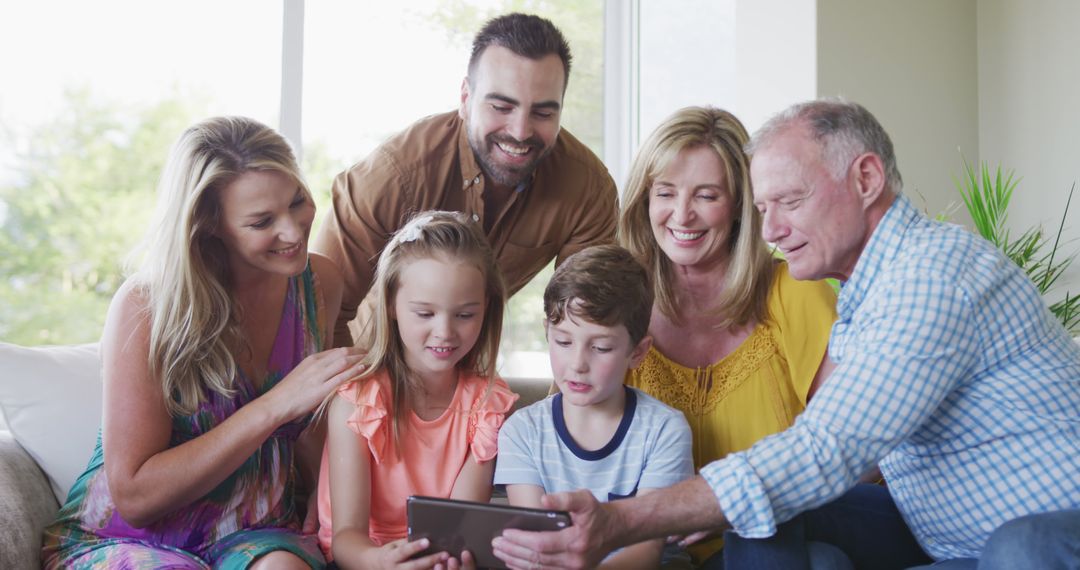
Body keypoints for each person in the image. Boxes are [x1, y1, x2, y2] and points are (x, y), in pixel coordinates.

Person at [490, 98, 1080, 570]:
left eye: (790, 201)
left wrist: (625, 519)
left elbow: (829, 447)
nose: (773, 228)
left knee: (1019, 548)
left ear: (867, 178)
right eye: (765, 207)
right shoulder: (865, 293)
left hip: (1040, 529)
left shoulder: (930, 278)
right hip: (942, 532)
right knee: (763, 518)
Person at [42, 116, 363, 569]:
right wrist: (274, 405)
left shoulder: (320, 282)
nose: (293, 231)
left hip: (254, 530)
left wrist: (327, 499)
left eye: (297, 202)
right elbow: (134, 497)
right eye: (261, 221)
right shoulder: (146, 307)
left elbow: (310, 430)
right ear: (210, 223)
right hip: (129, 537)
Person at [616, 105, 839, 566]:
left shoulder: (796, 294)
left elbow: (848, 445)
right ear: (645, 200)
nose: (682, 214)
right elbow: (563, 438)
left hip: (769, 534)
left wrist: (736, 505)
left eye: (706, 195)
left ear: (740, 203)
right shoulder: (616, 306)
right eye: (665, 192)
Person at [315, 12, 619, 348]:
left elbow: (585, 334)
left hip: (473, 376)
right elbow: (317, 320)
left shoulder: (588, 189)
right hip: (366, 365)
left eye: (543, 113)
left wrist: (554, 404)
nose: (520, 131)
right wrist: (357, 395)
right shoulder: (392, 176)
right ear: (465, 99)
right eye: (501, 106)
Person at [317, 211, 519, 569]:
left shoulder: (488, 403)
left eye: (465, 315)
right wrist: (381, 561)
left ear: (487, 308)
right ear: (392, 305)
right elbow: (346, 537)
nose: (445, 332)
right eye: (425, 314)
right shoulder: (357, 400)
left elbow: (460, 529)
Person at [494, 244, 694, 569]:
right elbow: (535, 541)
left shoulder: (664, 429)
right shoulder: (522, 432)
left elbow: (646, 552)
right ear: (547, 332)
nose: (577, 364)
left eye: (600, 347)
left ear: (638, 352)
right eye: (563, 341)